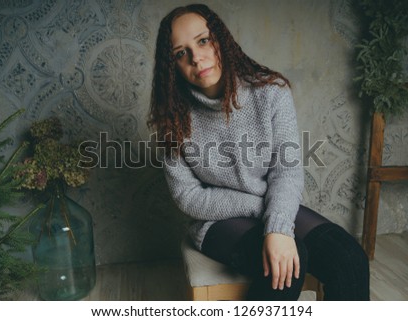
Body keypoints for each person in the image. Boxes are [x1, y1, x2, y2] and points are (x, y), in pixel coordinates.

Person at [148, 3, 370, 300]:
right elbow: (188, 197)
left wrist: (277, 224)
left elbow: (286, 170)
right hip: (217, 222)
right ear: (171, 64)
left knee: (349, 258)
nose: (196, 58)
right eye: (180, 52)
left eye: (203, 41)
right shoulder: (172, 120)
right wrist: (262, 209)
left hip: (272, 204)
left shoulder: (271, 93)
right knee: (288, 265)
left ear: (221, 39)